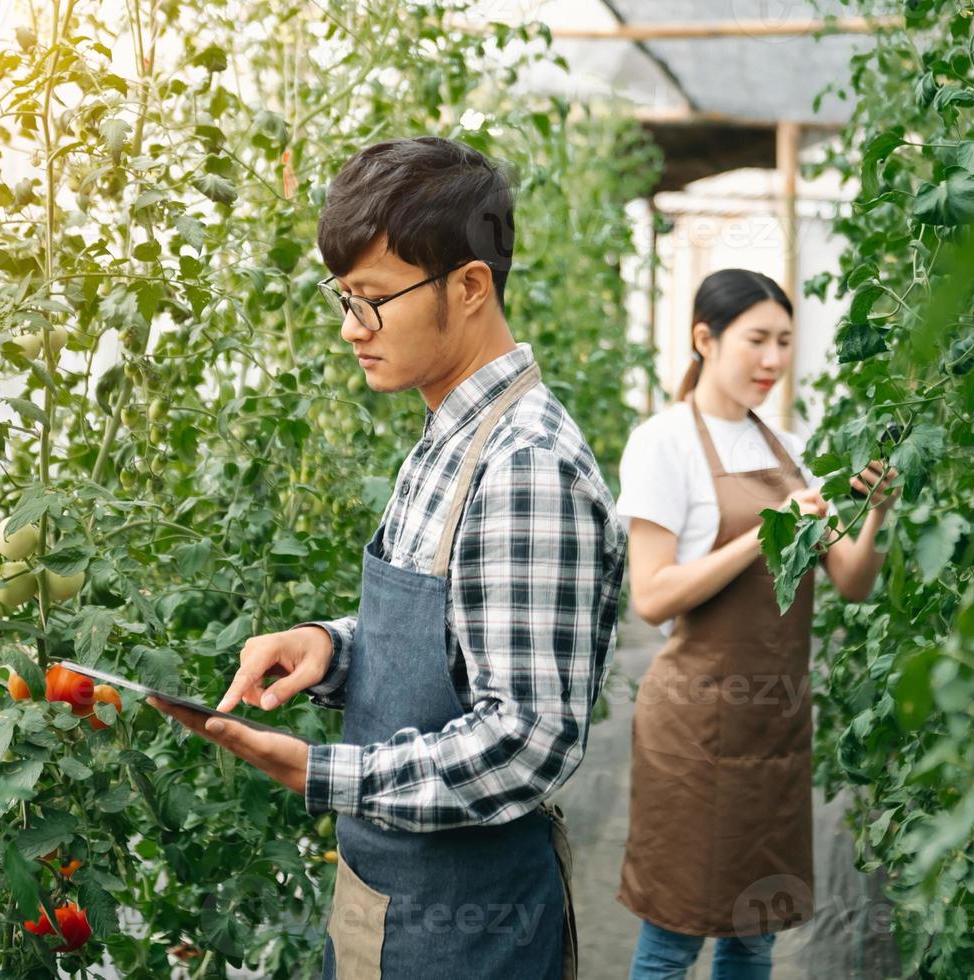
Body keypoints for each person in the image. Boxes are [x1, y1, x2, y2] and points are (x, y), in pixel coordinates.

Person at [147, 136, 626, 980]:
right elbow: (449, 637)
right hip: (391, 903)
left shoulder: (525, 466)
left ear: (469, 286)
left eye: (370, 300)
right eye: (342, 297)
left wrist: (323, 773)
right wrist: (331, 647)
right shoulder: (450, 435)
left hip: (468, 930)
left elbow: (526, 737)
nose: (348, 329)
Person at [613, 268, 900, 980]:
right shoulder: (663, 444)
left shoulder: (790, 449)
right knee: (672, 938)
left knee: (754, 933)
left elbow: (853, 583)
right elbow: (652, 597)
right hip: (692, 732)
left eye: (784, 343)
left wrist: (876, 512)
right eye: (756, 341)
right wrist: (764, 535)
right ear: (704, 339)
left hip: (773, 731)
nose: (773, 361)